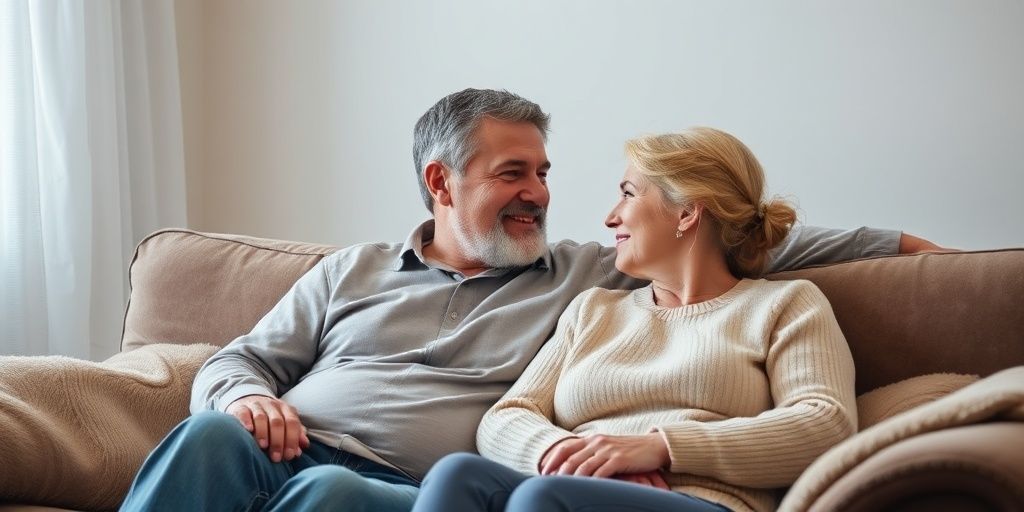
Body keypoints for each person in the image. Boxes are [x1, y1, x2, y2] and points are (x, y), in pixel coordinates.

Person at [119, 89, 936, 511]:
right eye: (515, 173)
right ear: (442, 181)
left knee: (331, 497)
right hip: (289, 444)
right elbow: (239, 359)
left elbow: (731, 230)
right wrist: (249, 395)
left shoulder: (582, 276)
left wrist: (901, 249)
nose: (541, 194)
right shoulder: (351, 271)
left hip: (394, 482)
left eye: (544, 172)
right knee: (206, 440)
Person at [411, 127, 857, 512]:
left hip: (700, 500)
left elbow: (824, 421)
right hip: (571, 488)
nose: (610, 217)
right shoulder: (594, 309)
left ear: (686, 212)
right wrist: (568, 454)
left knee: (542, 500)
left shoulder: (784, 305)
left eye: (627, 193)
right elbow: (508, 414)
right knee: (458, 474)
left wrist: (658, 449)